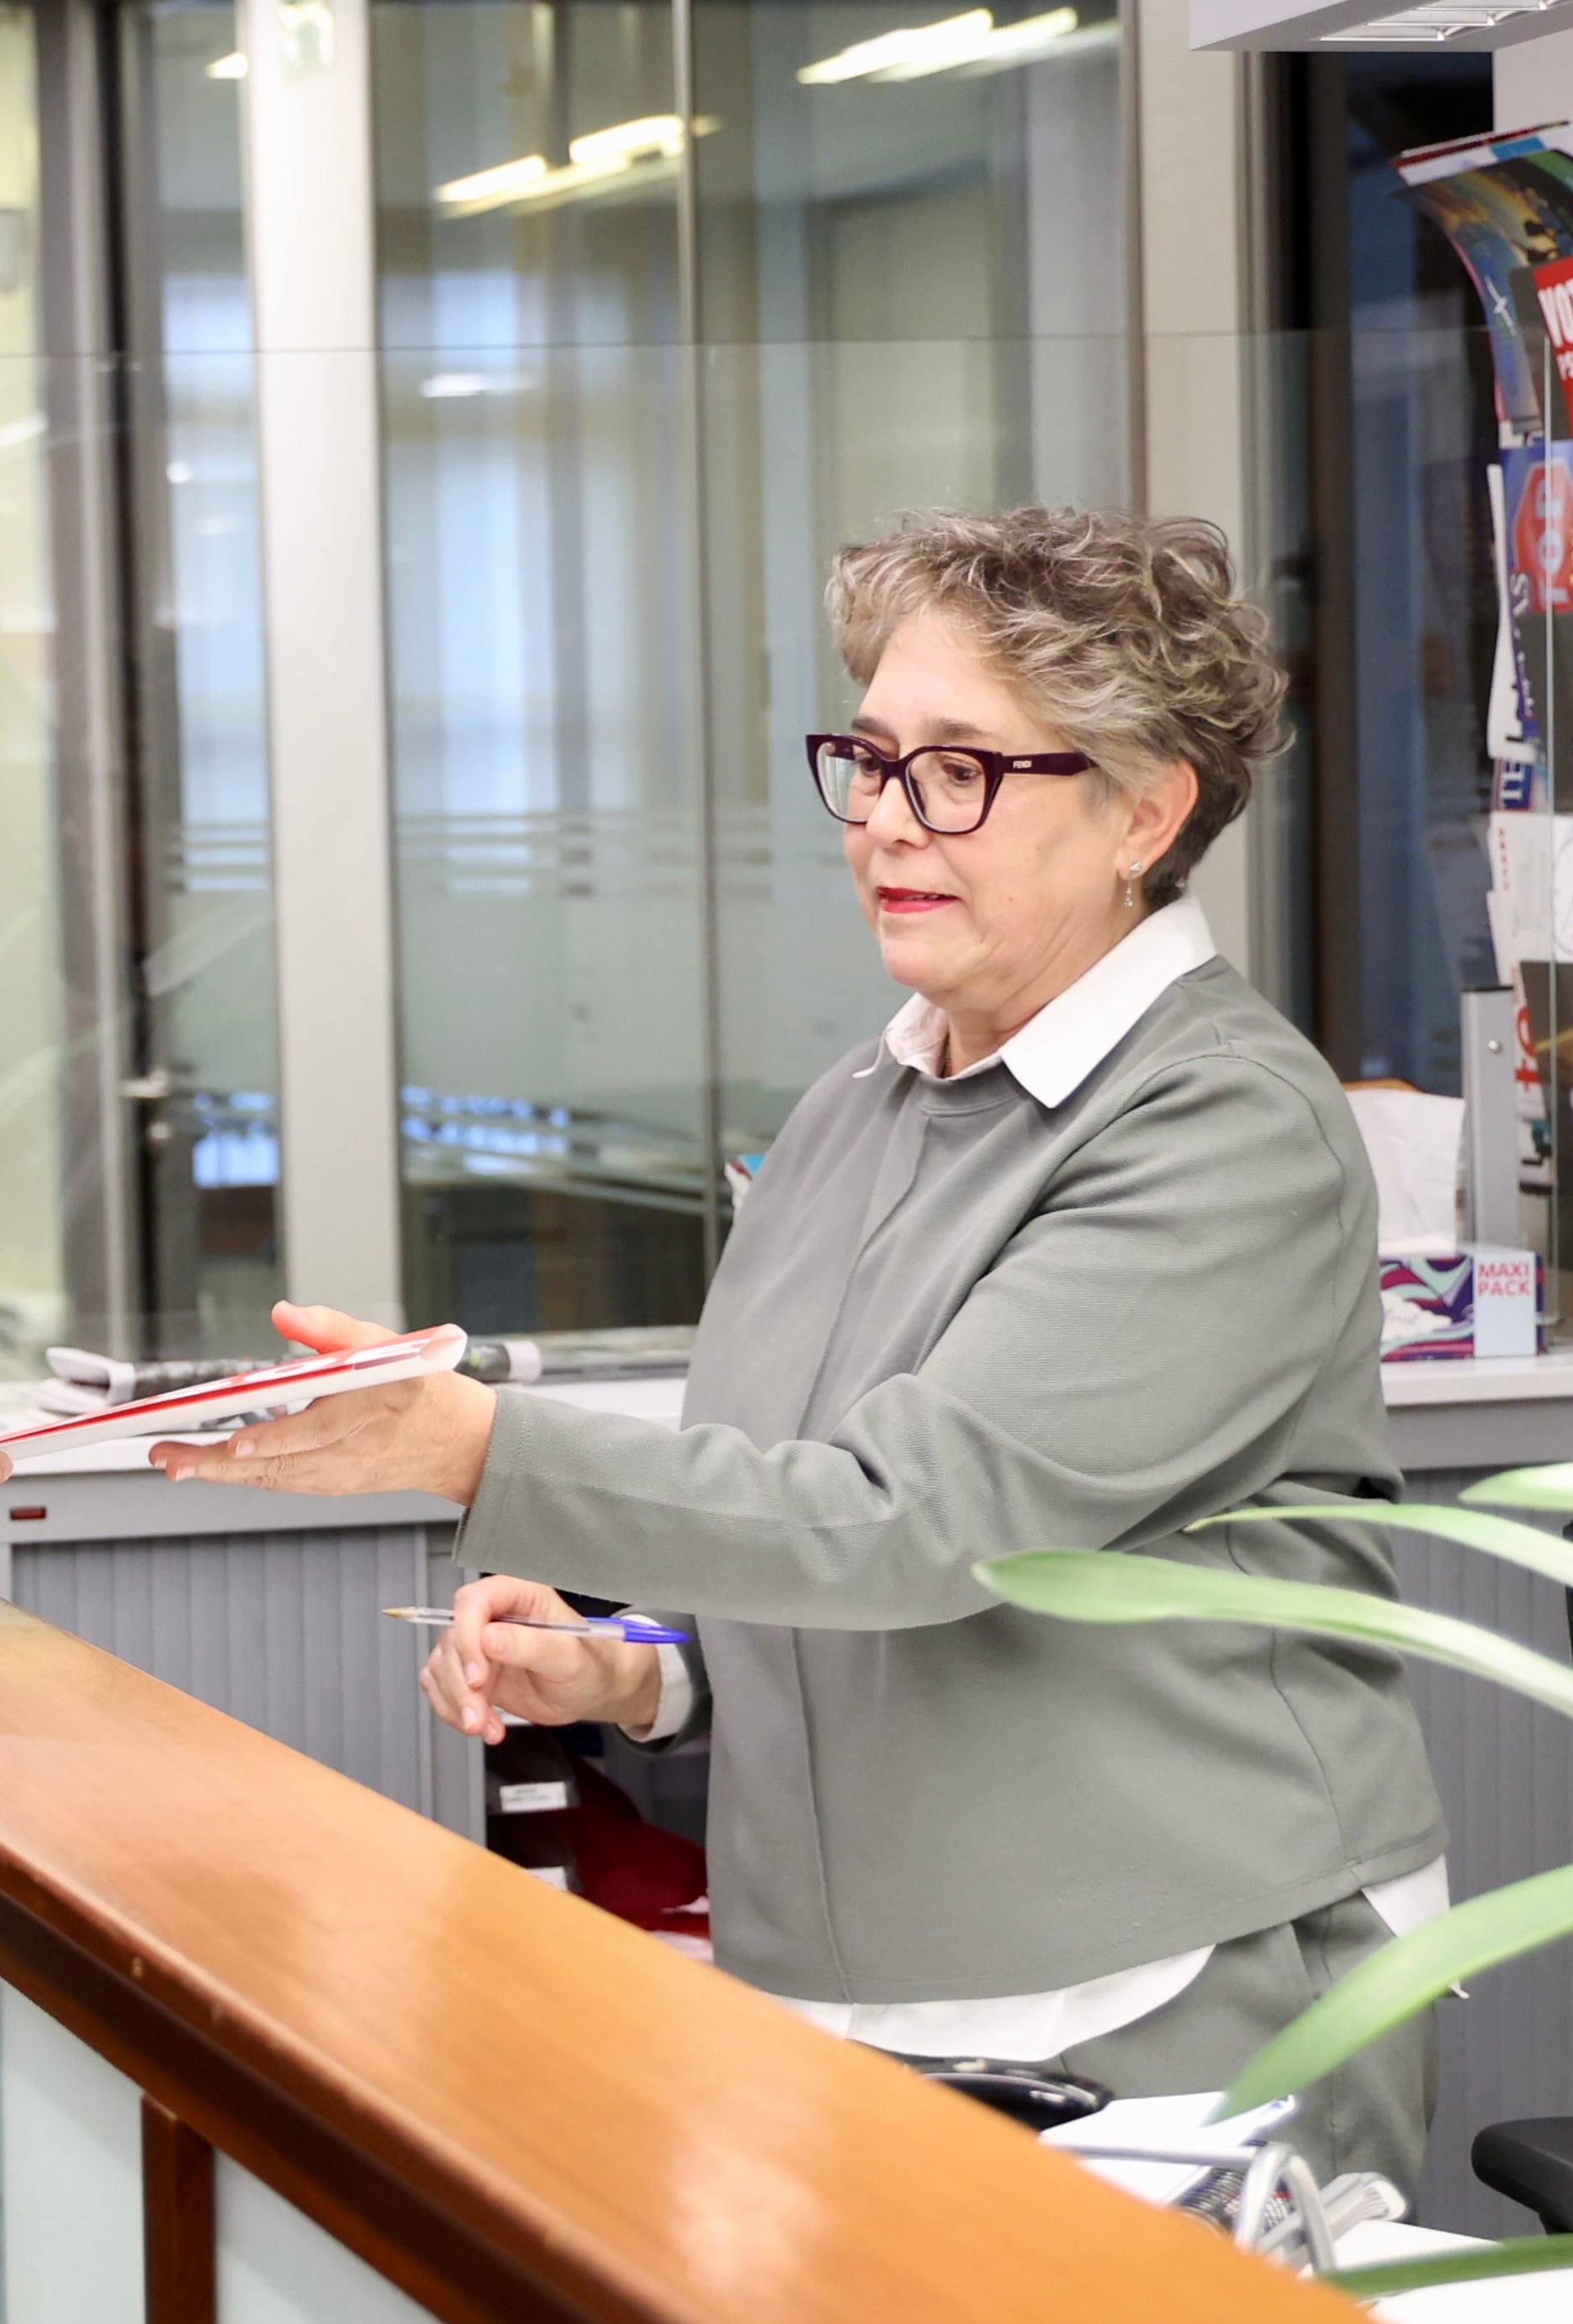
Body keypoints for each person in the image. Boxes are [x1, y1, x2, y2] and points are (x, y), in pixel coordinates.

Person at [157, 506, 1450, 2185]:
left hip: (1162, 2005)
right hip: (848, 2004)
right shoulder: (865, 1098)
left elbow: (914, 1522)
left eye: (959, 771)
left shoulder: (1219, 1125)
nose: (886, 824)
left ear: (1144, 808)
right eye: (869, 757)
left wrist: (469, 1448)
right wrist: (637, 1660)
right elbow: (787, 1506)